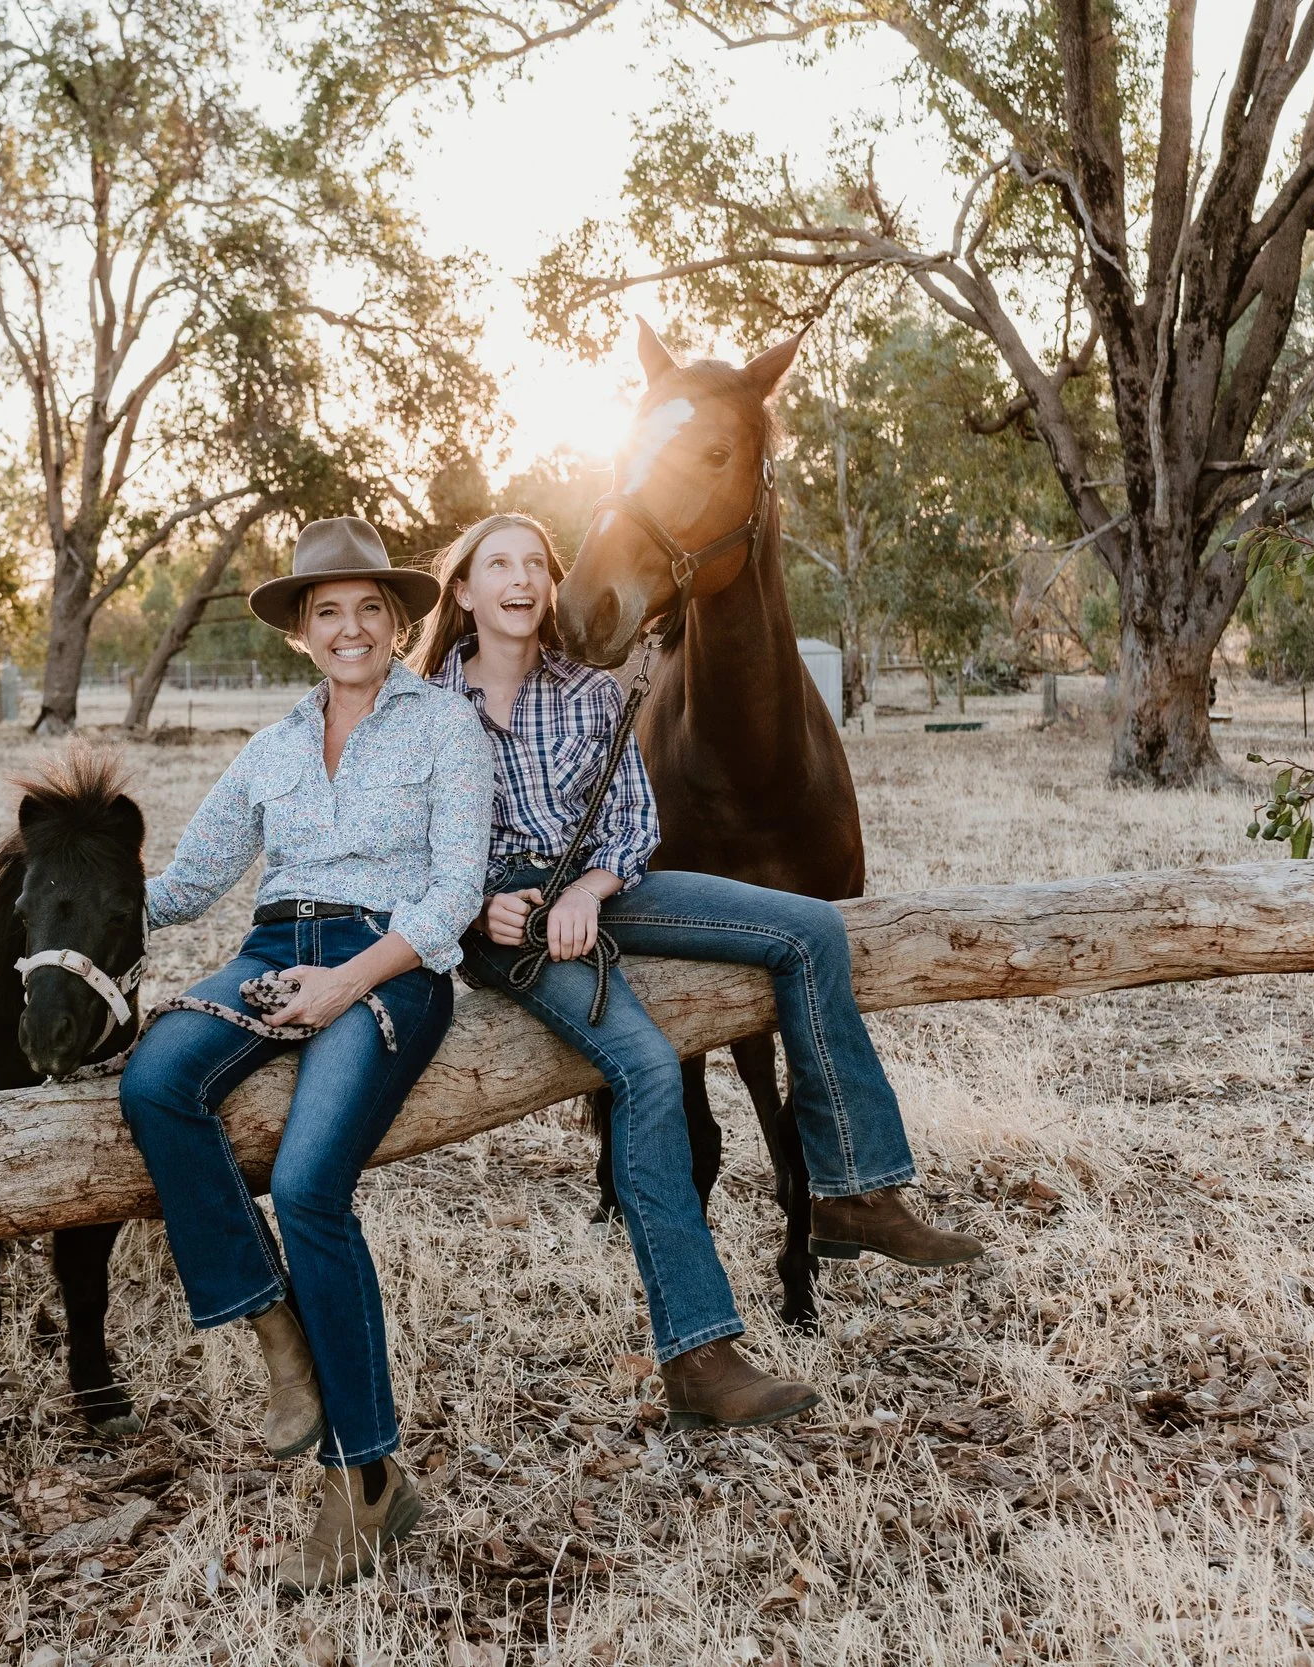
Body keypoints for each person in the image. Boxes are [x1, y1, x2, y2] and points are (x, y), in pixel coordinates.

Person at [412, 512, 984, 1427]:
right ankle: (697, 1354)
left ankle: (855, 1192)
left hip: (595, 892)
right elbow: (414, 855)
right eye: (498, 564)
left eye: (536, 563)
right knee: (643, 1067)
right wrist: (483, 904)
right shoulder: (425, 712)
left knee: (810, 931)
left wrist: (591, 890)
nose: (521, 579)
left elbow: (634, 827)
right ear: (464, 591)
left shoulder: (592, 691)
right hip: (504, 922)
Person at [122, 516, 491, 1593]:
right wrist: (67, 900)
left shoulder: (442, 727)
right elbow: (186, 884)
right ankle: (269, 1322)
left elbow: (451, 892)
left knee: (307, 1185)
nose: (349, 628)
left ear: (395, 621)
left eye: (368, 609)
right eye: (326, 611)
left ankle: (364, 1478)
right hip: (274, 947)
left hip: (391, 960)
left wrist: (349, 982)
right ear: (301, 631)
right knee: (155, 1081)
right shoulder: (272, 745)